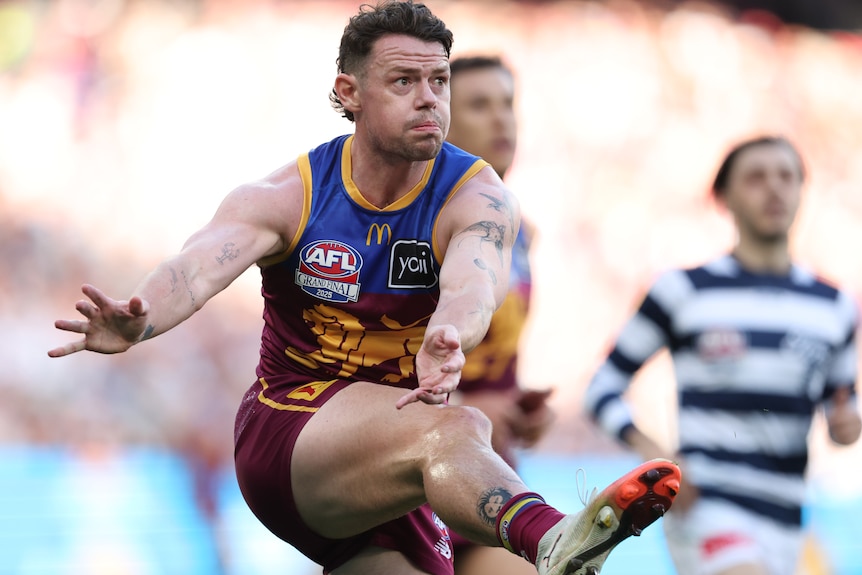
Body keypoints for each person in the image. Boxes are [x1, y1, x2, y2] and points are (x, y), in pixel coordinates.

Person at [49, 2, 680, 574]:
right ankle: (551, 538)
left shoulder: (479, 195)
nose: (429, 100)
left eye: (439, 82)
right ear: (348, 93)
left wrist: (451, 332)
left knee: (447, 437)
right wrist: (141, 319)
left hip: (395, 454)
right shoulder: (289, 195)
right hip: (291, 432)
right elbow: (195, 269)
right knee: (460, 426)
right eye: (404, 82)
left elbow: (476, 281)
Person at [584, 135, 861, 575]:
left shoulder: (834, 306)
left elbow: (842, 418)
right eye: (756, 177)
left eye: (786, 176)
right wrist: (657, 456)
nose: (774, 188)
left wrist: (848, 425)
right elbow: (602, 389)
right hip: (706, 508)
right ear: (724, 197)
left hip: (787, 520)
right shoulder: (682, 291)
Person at [444, 55, 554, 575]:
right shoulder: (416, 225)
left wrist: (515, 404)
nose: (501, 119)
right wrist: (469, 405)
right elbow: (369, 367)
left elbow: (488, 358)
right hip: (419, 472)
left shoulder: (521, 231)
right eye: (479, 105)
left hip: (488, 473)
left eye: (507, 103)